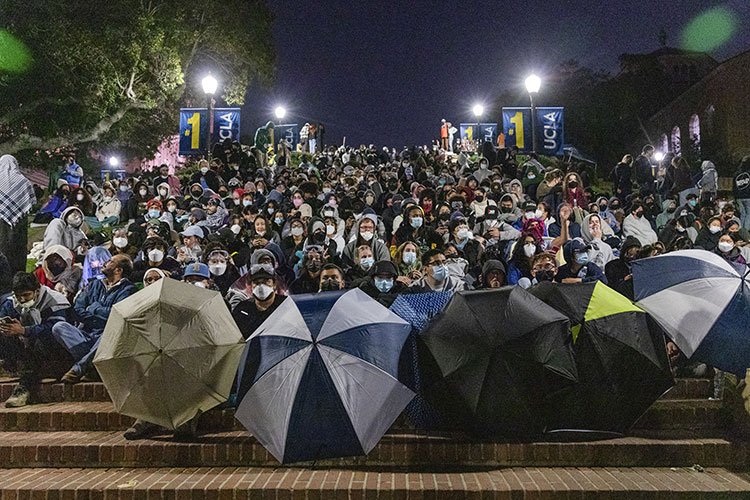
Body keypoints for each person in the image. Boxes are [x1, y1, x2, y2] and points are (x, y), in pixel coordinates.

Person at [51, 254, 136, 383]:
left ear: (118, 270)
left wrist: (93, 308)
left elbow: (116, 315)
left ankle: (79, 369)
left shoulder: (128, 290)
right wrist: (97, 317)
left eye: (111, 261)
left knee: (111, 332)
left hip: (106, 336)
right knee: (59, 327)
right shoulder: (94, 284)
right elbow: (78, 309)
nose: (105, 263)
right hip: (86, 333)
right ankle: (92, 367)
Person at [0, 272, 71, 407]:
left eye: (26, 295)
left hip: (55, 350)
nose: (22, 300)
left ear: (37, 291)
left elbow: (54, 330)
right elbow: (4, 316)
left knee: (40, 342)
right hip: (26, 347)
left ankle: (23, 388)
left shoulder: (55, 301)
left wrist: (25, 331)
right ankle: (16, 369)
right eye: (18, 296)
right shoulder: (11, 301)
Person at [0, 155, 36, 276]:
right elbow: (30, 201)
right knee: (18, 248)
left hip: (1, 222)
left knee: (2, 246)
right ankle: (18, 276)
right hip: (19, 221)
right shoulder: (23, 181)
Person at [232, 263, 285, 339]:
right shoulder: (242, 309)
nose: (261, 286)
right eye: (256, 283)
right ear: (251, 286)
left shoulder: (286, 305)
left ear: (274, 284)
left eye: (266, 282)